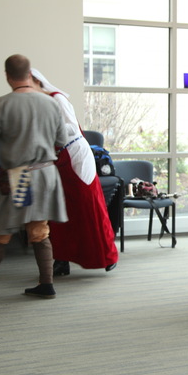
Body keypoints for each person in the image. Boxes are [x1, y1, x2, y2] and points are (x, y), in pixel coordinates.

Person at [0, 54, 68, 299]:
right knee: (39, 229)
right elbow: (62, 140)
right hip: (47, 174)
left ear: (7, 76)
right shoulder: (50, 102)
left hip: (21, 177)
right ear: (30, 74)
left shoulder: (2, 104)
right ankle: (47, 284)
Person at [30, 68, 118, 276]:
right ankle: (61, 259)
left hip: (75, 156)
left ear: (36, 81)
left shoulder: (57, 99)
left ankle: (105, 254)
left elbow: (70, 129)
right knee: (59, 211)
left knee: (88, 207)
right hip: (57, 158)